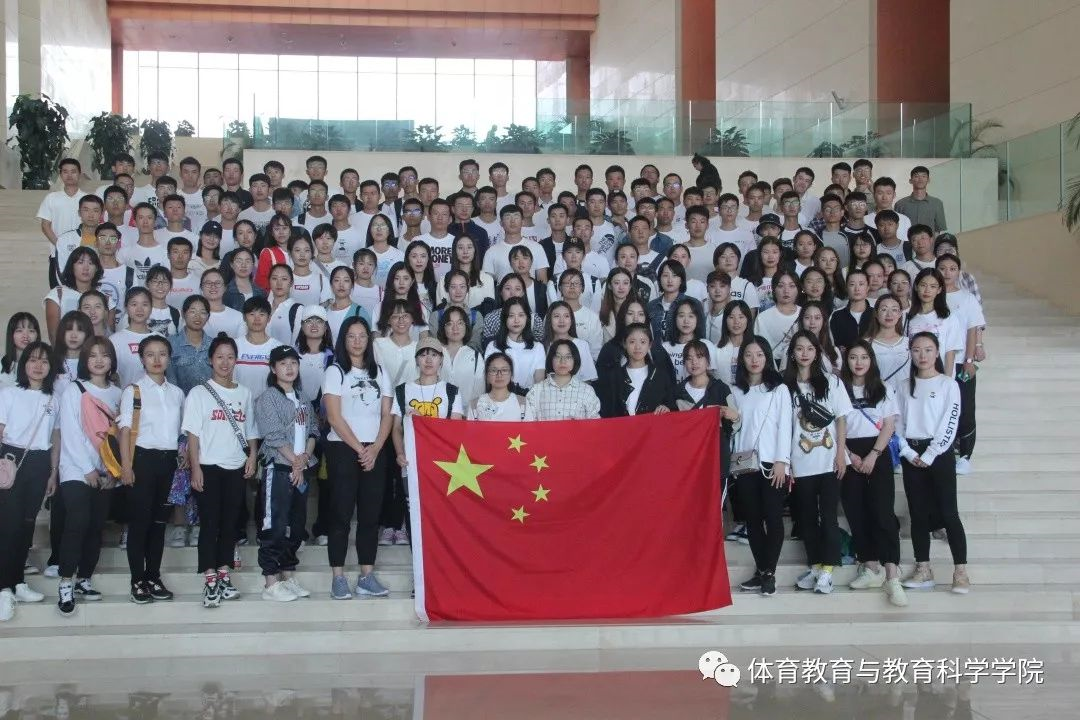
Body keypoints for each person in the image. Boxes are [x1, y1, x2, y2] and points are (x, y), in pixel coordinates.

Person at [181, 334, 259, 609]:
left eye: (230, 357)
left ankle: (224, 574)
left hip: (236, 467)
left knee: (230, 524)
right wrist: (196, 468)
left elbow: (251, 430)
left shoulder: (244, 393)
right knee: (210, 524)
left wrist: (252, 456)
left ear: (236, 360)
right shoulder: (199, 393)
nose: (225, 362)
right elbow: (193, 435)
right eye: (219, 357)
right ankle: (210, 579)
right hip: (209, 467)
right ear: (210, 360)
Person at [896, 332, 969, 594]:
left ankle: (960, 571)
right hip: (911, 454)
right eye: (917, 350)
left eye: (928, 350)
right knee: (918, 514)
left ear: (937, 352)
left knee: (949, 513)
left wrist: (931, 453)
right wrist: (906, 451)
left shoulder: (948, 385)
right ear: (910, 353)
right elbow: (897, 422)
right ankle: (923, 568)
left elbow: (951, 422)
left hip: (939, 453)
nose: (922, 355)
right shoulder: (903, 386)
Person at [840, 340, 906, 607]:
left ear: (871, 360)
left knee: (882, 512)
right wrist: (850, 455)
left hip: (876, 452)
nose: (859, 362)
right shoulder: (838, 388)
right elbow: (835, 425)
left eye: (864, 357)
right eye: (853, 357)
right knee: (855, 511)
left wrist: (873, 455)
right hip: (848, 452)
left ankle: (892, 575)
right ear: (846, 361)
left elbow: (889, 425)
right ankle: (870, 567)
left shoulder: (883, 388)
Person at [784, 331, 851, 595]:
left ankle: (828, 571)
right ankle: (815, 566)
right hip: (801, 462)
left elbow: (841, 420)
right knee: (807, 518)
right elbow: (783, 428)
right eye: (799, 348)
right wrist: (787, 463)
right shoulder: (785, 387)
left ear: (817, 352)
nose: (804, 353)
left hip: (829, 461)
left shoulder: (832, 382)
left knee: (829, 517)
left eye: (809, 348)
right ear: (792, 353)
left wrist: (841, 454)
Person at [119, 335, 184, 604]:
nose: (157, 360)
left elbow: (181, 433)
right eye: (150, 354)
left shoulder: (177, 393)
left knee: (158, 524)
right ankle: (137, 580)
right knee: (140, 524)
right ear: (142, 359)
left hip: (168, 463)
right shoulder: (133, 391)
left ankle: (153, 577)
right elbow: (124, 431)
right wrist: (126, 466)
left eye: (162, 354)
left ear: (169, 358)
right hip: (142, 461)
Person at [55, 340, 121, 605]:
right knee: (78, 522)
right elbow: (71, 433)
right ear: (84, 360)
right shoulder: (74, 390)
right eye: (92, 355)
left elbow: (119, 438)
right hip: (75, 469)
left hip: (106, 472)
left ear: (112, 360)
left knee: (96, 526)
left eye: (104, 355)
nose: (99, 360)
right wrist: (88, 469)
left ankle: (84, 579)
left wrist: (113, 472)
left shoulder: (118, 394)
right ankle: (65, 582)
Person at [0, 341, 60, 622]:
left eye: (44, 361)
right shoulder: (9, 394)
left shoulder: (53, 399)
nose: (38, 365)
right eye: (33, 360)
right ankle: (3, 589)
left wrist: (52, 472)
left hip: (39, 462)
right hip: (11, 460)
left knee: (26, 525)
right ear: (24, 364)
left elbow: (55, 437)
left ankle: (18, 583)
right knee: (8, 527)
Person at [253, 346, 318, 602]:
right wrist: (295, 463)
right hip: (279, 467)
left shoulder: (303, 398)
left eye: (293, 362)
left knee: (297, 525)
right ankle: (271, 582)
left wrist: (303, 461)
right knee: (275, 524)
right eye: (283, 363)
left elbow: (313, 431)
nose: (289, 368)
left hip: (301, 468)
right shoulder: (267, 398)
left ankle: (288, 576)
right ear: (273, 368)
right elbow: (273, 435)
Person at [729, 336, 792, 597]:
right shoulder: (736, 391)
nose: (754, 360)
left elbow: (785, 425)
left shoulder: (779, 389)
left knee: (773, 517)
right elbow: (735, 430)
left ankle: (768, 573)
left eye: (760, 355)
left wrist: (782, 461)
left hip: (771, 463)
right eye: (748, 355)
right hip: (745, 464)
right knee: (753, 520)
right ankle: (763, 572)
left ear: (767, 357)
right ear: (742, 359)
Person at [936, 253, 986, 475]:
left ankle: (965, 456)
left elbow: (972, 329)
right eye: (942, 268)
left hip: (959, 362)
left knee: (965, 408)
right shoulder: (931, 296)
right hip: (933, 364)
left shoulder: (967, 298)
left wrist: (969, 360)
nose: (947, 273)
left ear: (959, 272)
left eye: (952, 268)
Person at [675, 339, 738, 481]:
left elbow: (734, 427)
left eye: (699, 357)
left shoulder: (721, 389)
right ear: (684, 363)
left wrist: (734, 417)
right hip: (687, 459)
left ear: (708, 361)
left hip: (716, 456)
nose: (694, 362)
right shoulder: (677, 392)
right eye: (689, 358)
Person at [597, 323, 677, 418]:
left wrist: (666, 408)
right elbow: (606, 412)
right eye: (632, 342)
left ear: (650, 345)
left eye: (643, 342)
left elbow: (672, 406)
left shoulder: (660, 375)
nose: (638, 347)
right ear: (624, 344)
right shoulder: (614, 376)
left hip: (652, 427)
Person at [37, 158, 87, 289]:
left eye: (73, 171)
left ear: (80, 174)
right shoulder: (51, 198)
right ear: (60, 175)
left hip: (84, 254)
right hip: (57, 253)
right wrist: (60, 245)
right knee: (58, 292)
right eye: (65, 172)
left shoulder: (87, 199)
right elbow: (45, 225)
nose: (69, 175)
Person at [906, 268, 964, 370]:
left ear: (939, 290)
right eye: (923, 285)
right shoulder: (907, 318)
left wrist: (946, 378)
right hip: (912, 375)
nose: (927, 290)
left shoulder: (949, 318)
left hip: (940, 374)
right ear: (916, 287)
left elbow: (950, 353)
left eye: (933, 286)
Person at [484, 297, 546, 390]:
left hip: (529, 397)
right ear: (504, 318)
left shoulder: (538, 347)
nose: (516, 320)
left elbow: (539, 384)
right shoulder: (493, 346)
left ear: (527, 318)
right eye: (511, 316)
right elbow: (489, 381)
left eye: (521, 315)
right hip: (500, 396)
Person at [109, 287, 162, 388]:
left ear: (151, 308)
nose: (139, 309)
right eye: (134, 304)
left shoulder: (160, 339)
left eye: (145, 304)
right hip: (127, 396)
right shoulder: (114, 340)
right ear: (126, 308)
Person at [437, 306, 484, 409]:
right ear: (443, 327)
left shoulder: (475, 356)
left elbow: (479, 391)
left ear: (466, 326)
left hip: (466, 414)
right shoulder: (436, 353)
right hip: (438, 412)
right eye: (450, 323)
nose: (455, 328)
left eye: (460, 323)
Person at [753, 270, 800, 369]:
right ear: (773, 289)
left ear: (798, 289)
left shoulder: (805, 314)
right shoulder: (763, 317)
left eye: (791, 286)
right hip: (771, 366)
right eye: (781, 286)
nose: (786, 290)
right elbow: (759, 349)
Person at [543, 301, 598, 383]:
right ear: (549, 320)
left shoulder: (582, 345)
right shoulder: (542, 346)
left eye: (566, 316)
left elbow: (587, 379)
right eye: (556, 316)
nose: (562, 320)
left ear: (571, 320)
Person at [469, 353, 531, 421]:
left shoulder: (523, 403)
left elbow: (529, 427)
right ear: (487, 375)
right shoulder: (475, 405)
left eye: (504, 370)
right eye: (494, 370)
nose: (499, 375)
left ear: (511, 375)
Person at [894, 166, 946, 233]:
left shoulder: (937, 203)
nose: (920, 179)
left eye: (924, 176)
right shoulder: (900, 204)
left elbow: (938, 230)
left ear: (928, 180)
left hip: (930, 240)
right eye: (916, 176)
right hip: (907, 240)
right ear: (910, 181)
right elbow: (897, 229)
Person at [0, 313, 41, 389]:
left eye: (31, 331)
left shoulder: (43, 366)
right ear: (11, 335)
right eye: (19, 330)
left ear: (37, 335)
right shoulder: (1, 364)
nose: (26, 335)